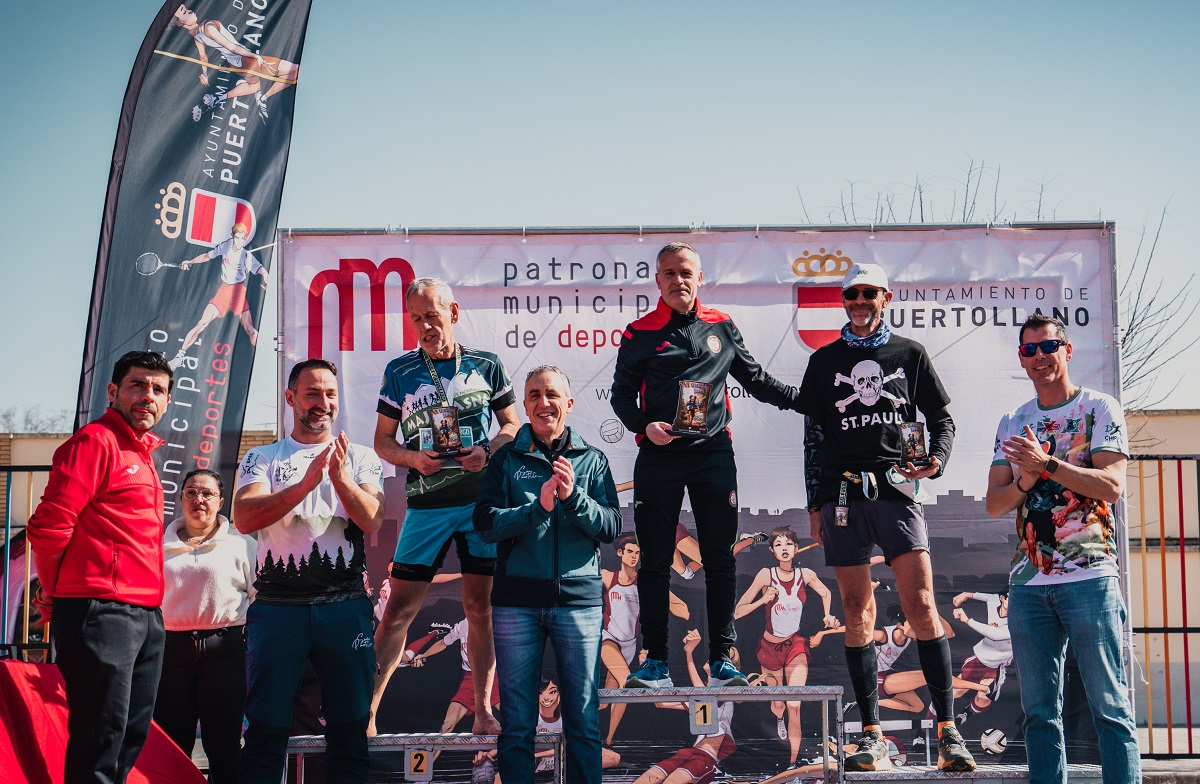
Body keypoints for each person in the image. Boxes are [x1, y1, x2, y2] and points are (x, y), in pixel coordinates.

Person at [796, 262, 975, 771]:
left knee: (921, 605)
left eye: (868, 292)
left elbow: (941, 418)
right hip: (843, 498)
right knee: (857, 613)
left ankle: (949, 734)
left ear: (885, 296)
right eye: (851, 293)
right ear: (843, 299)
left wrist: (935, 459)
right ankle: (871, 737)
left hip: (897, 493)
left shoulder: (909, 354)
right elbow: (814, 438)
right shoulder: (824, 360)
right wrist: (815, 503)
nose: (859, 300)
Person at [611, 241, 803, 688]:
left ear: (699, 278)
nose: (679, 280)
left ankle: (723, 659)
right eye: (669, 273)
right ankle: (655, 661)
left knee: (720, 559)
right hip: (659, 456)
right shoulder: (638, 333)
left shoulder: (721, 325)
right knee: (655, 561)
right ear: (657, 280)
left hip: (713, 454)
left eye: (686, 272)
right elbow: (621, 396)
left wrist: (806, 402)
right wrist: (645, 427)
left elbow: (755, 379)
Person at [985, 314, 1140, 784]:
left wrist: (1046, 463)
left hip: (1090, 578)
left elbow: (1111, 486)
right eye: (1029, 350)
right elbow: (996, 503)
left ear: (1066, 350)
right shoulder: (1014, 420)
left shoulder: (1099, 408)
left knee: (1110, 708)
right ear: (1020, 357)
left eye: (1048, 347)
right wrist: (1027, 479)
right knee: (1038, 715)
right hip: (1030, 585)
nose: (1039, 357)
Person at [369, 277, 520, 735]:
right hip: (428, 505)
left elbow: (513, 425)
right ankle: (369, 712)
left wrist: (489, 451)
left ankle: (483, 715)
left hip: (480, 506)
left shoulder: (487, 364)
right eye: (416, 319)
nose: (424, 327)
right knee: (398, 610)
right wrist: (413, 458)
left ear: (452, 313)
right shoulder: (400, 370)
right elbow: (381, 441)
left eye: (431, 316)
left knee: (481, 609)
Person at [233, 359, 384, 784]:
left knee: (350, 733)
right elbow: (244, 517)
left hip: (344, 608)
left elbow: (372, 518)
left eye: (330, 394)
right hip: (278, 610)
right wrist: (303, 485)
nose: (323, 403)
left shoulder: (360, 457)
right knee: (264, 733)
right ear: (291, 398)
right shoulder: (262, 456)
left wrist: (339, 479)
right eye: (313, 393)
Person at [26, 350, 173, 784]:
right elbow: (50, 528)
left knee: (130, 734)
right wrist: (53, 593)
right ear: (113, 391)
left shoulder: (141, 453)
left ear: (167, 401)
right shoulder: (96, 441)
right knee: (100, 739)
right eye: (137, 385)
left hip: (145, 614)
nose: (148, 396)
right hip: (102, 611)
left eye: (158, 389)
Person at [474, 365, 622, 784]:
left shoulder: (592, 460)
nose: (543, 403)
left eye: (552, 394)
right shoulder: (505, 460)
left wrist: (574, 498)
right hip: (516, 605)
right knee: (518, 724)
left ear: (569, 404)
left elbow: (611, 526)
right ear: (525, 405)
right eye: (534, 395)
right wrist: (535, 510)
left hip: (579, 604)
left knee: (583, 723)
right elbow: (484, 523)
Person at [155, 469, 257, 784]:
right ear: (181, 498)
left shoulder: (242, 544)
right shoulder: (156, 546)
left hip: (225, 652)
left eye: (207, 494)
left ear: (221, 501)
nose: (198, 499)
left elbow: (259, 597)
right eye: (191, 493)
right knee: (172, 745)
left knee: (223, 745)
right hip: (170, 654)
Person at [734, 526, 840, 765]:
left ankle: (793, 763)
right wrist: (764, 599)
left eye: (789, 544)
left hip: (795, 646)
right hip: (769, 647)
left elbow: (825, 593)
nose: (784, 548)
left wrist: (827, 615)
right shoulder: (765, 575)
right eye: (779, 544)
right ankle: (778, 717)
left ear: (795, 548)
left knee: (794, 704)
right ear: (772, 550)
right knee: (779, 704)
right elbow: (738, 612)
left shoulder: (807, 575)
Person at [599, 534, 690, 745]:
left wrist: (676, 609)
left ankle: (608, 739)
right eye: (630, 551)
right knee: (627, 681)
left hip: (629, 644)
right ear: (620, 553)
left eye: (637, 553)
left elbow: (681, 608)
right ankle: (656, 693)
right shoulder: (607, 576)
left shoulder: (645, 583)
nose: (634, 557)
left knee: (612, 696)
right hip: (608, 638)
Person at [631, 631, 741, 784]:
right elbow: (661, 703)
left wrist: (689, 655)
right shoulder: (703, 693)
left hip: (706, 758)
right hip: (688, 753)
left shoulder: (726, 691)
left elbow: (703, 694)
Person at [169, 222, 269, 369]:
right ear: (233, 237)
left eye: (242, 238)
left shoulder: (247, 257)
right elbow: (206, 256)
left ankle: (265, 355)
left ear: (245, 239)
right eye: (237, 237)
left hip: (238, 292)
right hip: (224, 291)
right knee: (202, 323)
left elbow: (263, 272)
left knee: (250, 329)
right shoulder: (226, 246)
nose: (239, 241)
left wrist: (267, 281)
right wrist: (191, 262)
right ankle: (179, 357)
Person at [172, 6, 300, 119]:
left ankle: (216, 99)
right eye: (185, 12)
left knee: (254, 87)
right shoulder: (208, 28)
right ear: (180, 22)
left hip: (236, 64)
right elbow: (231, 47)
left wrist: (205, 74)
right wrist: (256, 56)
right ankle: (264, 98)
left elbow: (203, 57)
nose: (190, 10)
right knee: (295, 71)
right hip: (246, 61)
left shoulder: (197, 36)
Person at [950, 590, 1012, 725]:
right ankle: (923, 731)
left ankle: (967, 712)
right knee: (953, 693)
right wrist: (965, 594)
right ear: (1002, 598)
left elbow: (995, 634)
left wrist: (966, 620)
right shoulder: (994, 600)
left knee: (983, 697)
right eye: (1011, 598)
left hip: (998, 664)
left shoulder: (1018, 618)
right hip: (980, 657)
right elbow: (989, 597)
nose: (1015, 603)